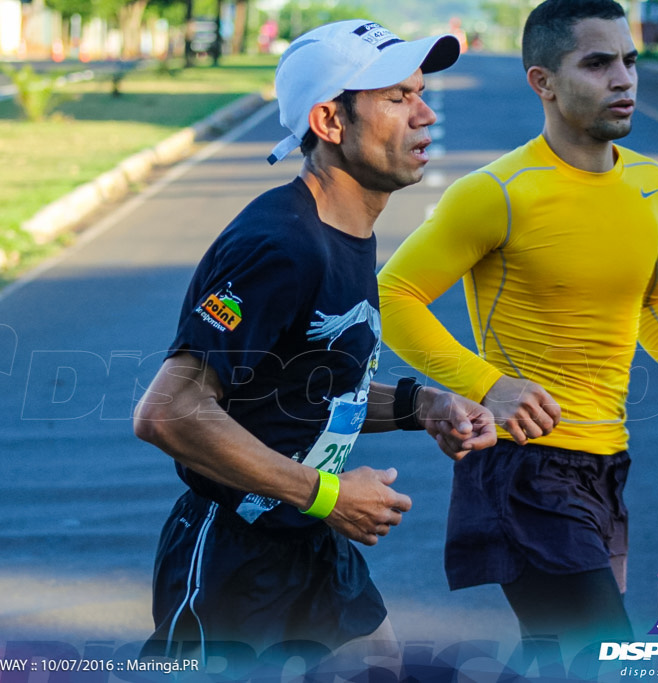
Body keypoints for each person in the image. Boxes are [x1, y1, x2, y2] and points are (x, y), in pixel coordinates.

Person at [376, 0, 658, 658]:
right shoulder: (498, 193)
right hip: (525, 465)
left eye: (629, 61)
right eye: (597, 63)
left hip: (605, 459)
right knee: (603, 652)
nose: (623, 79)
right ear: (542, 81)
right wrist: (489, 385)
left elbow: (656, 297)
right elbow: (393, 296)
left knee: (554, 654)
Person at [132, 19, 496, 670]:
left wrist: (426, 405)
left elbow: (311, 383)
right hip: (234, 557)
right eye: (396, 97)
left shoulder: (346, 230)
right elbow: (169, 411)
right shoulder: (279, 246)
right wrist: (328, 494)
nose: (424, 112)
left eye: (420, 92)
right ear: (330, 121)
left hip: (310, 537)